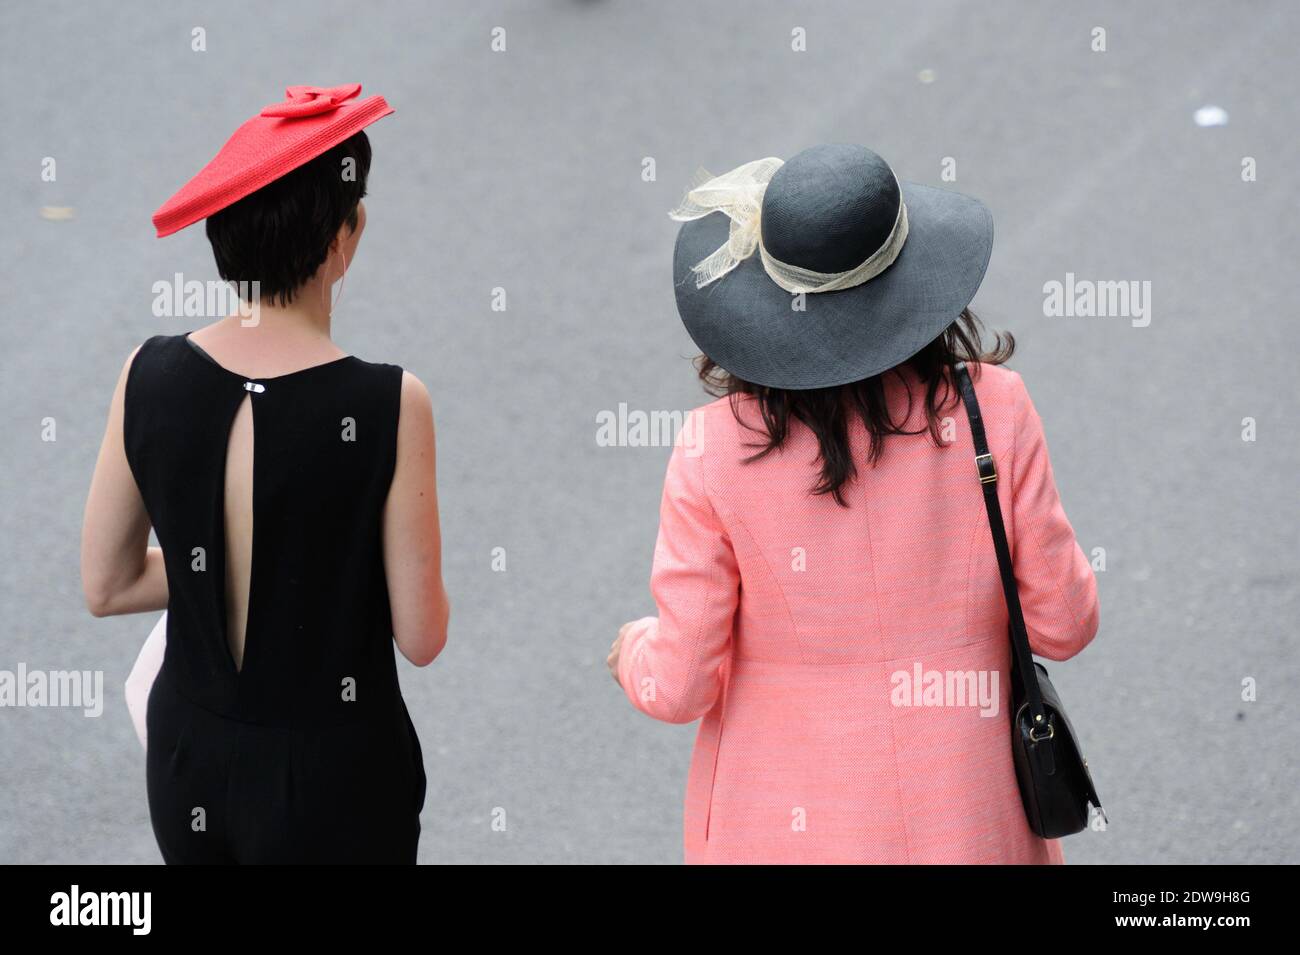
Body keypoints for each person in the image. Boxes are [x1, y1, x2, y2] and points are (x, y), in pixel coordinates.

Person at [608, 144, 1099, 864]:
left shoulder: (711, 448)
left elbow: (681, 684)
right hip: (967, 815)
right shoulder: (994, 408)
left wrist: (631, 652)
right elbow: (1065, 622)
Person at [80, 84, 449, 864]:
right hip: (337, 777)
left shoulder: (145, 374)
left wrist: (216, 563)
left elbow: (106, 585)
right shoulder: (388, 401)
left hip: (192, 759)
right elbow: (421, 634)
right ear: (342, 240)